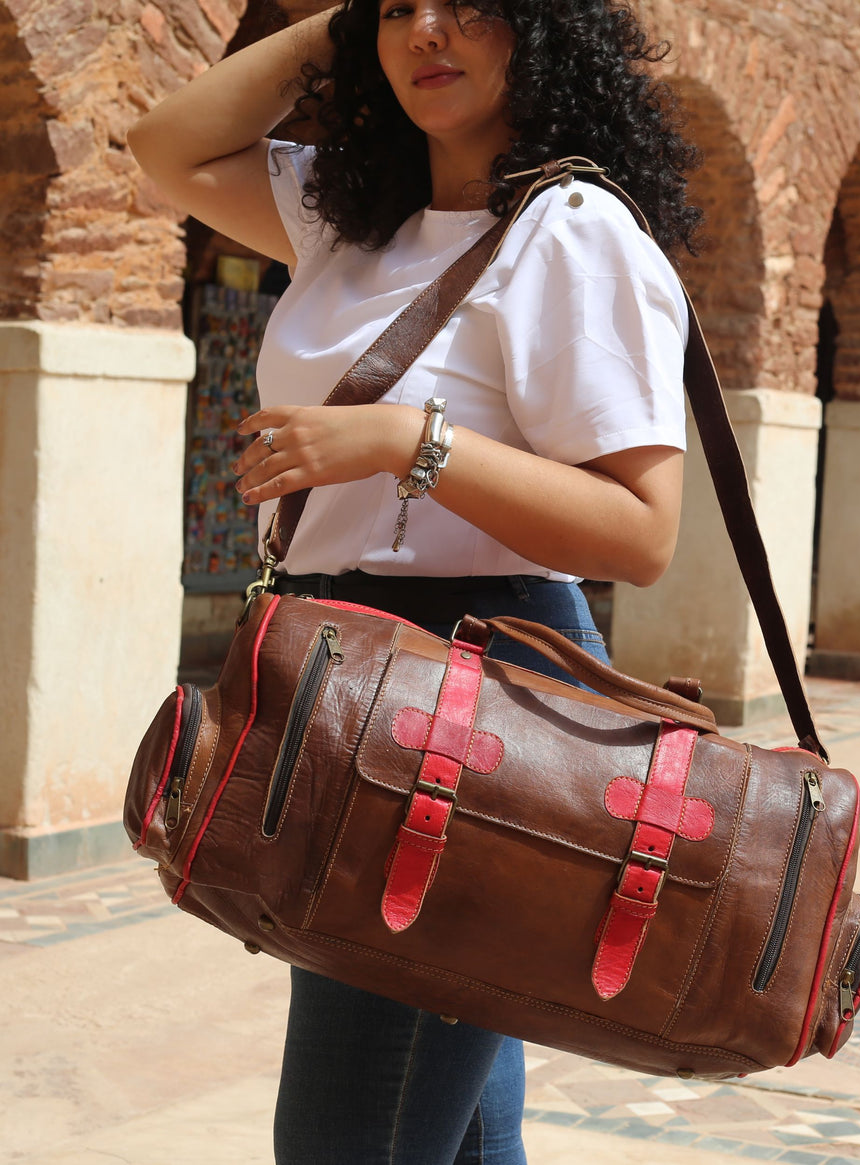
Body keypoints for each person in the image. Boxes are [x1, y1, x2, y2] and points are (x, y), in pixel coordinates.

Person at [126, 0, 702, 1160]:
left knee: (356, 1115)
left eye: (466, 4)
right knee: (443, 1104)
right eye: (400, 9)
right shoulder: (356, 218)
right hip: (345, 670)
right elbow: (162, 150)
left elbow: (641, 531)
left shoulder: (571, 230)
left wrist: (406, 442)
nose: (426, 34)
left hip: (468, 696)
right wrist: (343, 27)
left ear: (543, 28)